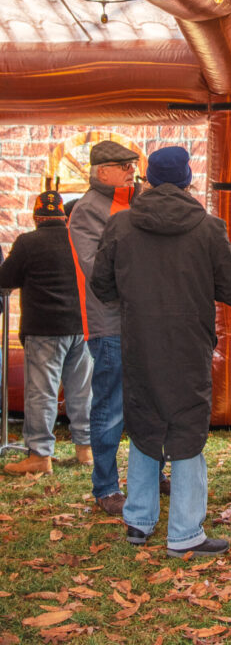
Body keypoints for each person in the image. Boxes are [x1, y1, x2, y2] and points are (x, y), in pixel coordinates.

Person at [91, 146, 231, 558]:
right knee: (187, 425)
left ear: (150, 180)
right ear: (187, 180)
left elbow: (101, 286)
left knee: (144, 421)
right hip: (189, 342)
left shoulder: (121, 225)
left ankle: (139, 520)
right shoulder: (210, 228)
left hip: (138, 340)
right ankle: (184, 532)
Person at [68, 139, 165, 514]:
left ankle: (151, 474)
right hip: (110, 324)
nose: (131, 171)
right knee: (110, 409)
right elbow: (98, 272)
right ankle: (106, 487)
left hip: (147, 321)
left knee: (152, 403)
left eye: (133, 165)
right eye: (124, 165)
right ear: (102, 171)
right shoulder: (86, 211)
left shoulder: (141, 201)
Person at [0, 191, 93, 475]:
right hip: (82, 328)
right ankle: (86, 450)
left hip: (44, 331)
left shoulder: (28, 243)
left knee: (42, 394)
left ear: (37, 218)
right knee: (82, 392)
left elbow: (5, 279)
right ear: (63, 216)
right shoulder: (80, 240)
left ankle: (40, 455)